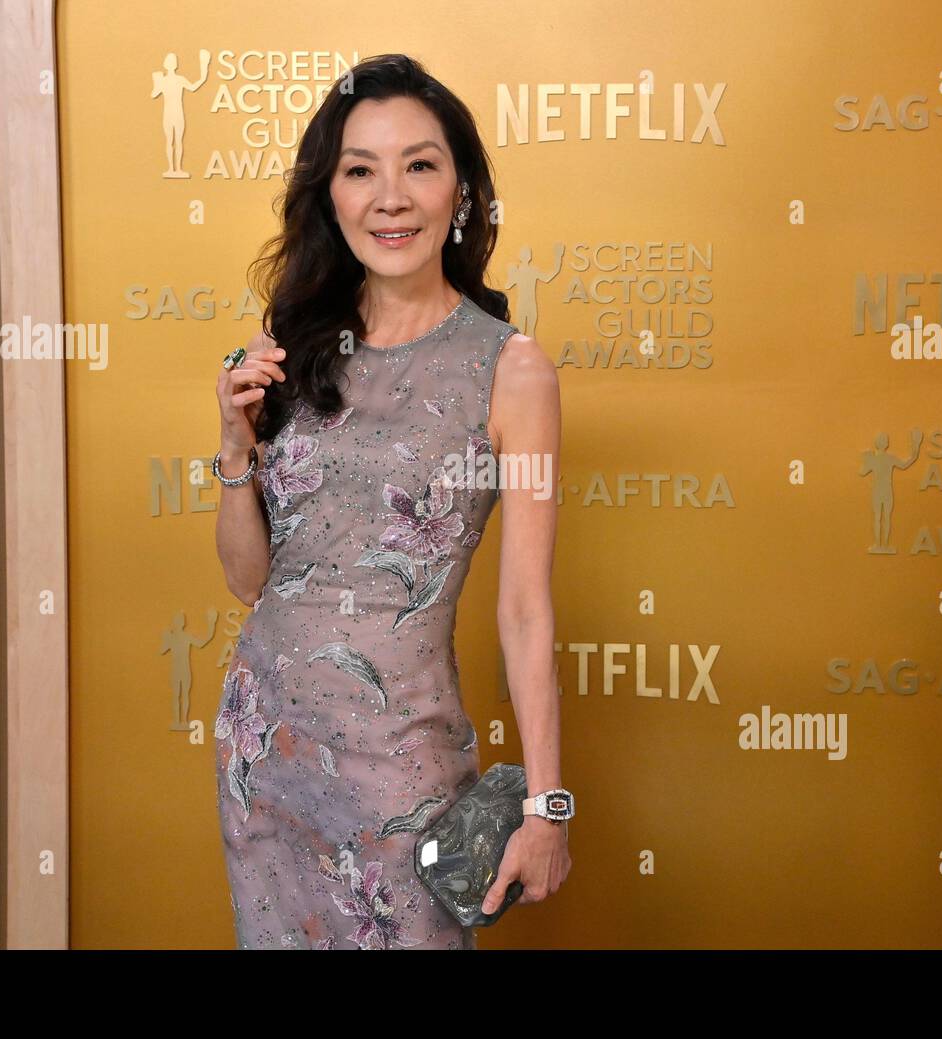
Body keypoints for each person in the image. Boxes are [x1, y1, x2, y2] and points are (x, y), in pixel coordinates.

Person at [211, 54, 571, 949]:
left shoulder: (512, 371)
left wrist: (548, 805)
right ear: (330, 197)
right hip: (266, 747)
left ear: (461, 190)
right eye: (360, 170)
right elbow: (252, 580)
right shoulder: (289, 349)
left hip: (402, 765)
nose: (391, 196)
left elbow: (525, 607)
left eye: (420, 164)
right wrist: (231, 446)